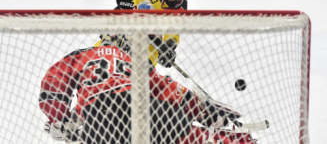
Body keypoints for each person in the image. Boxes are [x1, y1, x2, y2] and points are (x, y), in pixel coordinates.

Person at [39, 34, 247, 144]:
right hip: (144, 106)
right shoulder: (135, 60)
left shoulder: (79, 56)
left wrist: (59, 120)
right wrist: (209, 115)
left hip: (100, 116)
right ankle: (228, 139)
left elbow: (53, 87)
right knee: (181, 135)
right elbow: (168, 90)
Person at [111, 0, 197, 69]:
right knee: (105, 51)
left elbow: (173, 32)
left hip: (149, 35)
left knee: (148, 65)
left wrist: (168, 49)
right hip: (124, 22)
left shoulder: (181, 8)